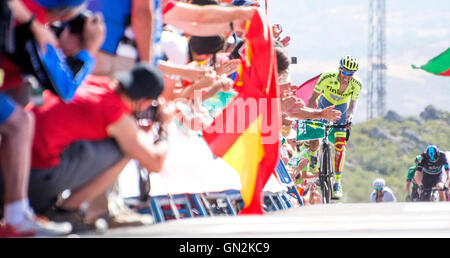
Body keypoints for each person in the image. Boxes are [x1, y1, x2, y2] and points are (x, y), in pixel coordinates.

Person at [0, 63, 173, 232]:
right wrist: (165, 125)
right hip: (28, 179)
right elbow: (154, 162)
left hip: (11, 166)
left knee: (124, 142)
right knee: (124, 150)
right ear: (144, 102)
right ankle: (65, 212)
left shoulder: (95, 84)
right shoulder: (113, 109)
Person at [0, 0, 76, 238]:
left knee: (19, 113)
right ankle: (16, 219)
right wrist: (88, 51)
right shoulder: (35, 17)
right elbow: (66, 89)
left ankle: (16, 217)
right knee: (21, 123)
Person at [1, 0, 104, 106]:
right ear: (67, 16)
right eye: (78, 47)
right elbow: (67, 90)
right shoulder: (40, 32)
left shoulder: (31, 14)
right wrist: (89, 50)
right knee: (22, 119)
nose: (73, 52)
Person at [307, 55, 362, 199]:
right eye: (345, 72)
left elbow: (352, 106)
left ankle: (337, 182)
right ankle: (313, 155)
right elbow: (313, 98)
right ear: (340, 69)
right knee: (315, 134)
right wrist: (310, 114)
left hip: (341, 112)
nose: (347, 76)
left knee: (340, 146)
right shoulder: (327, 77)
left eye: (350, 73)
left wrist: (349, 117)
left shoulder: (356, 84)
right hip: (324, 106)